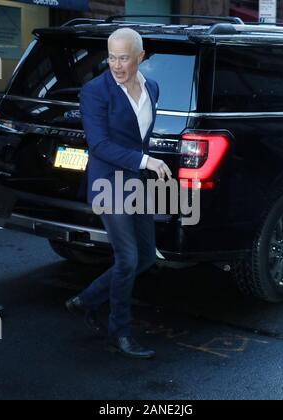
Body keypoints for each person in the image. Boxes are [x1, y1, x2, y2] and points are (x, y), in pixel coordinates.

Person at [66, 28, 172, 359]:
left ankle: (87, 299)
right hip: (108, 183)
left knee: (146, 256)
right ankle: (120, 333)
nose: (115, 64)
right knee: (127, 258)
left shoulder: (152, 88)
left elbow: (139, 135)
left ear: (140, 57)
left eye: (123, 58)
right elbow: (99, 145)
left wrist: (146, 163)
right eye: (111, 57)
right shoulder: (95, 91)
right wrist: (147, 160)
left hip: (136, 183)